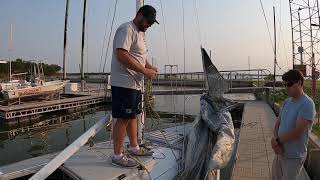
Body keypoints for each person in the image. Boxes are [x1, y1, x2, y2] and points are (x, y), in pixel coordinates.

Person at [110, 5, 159, 167]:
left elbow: (140, 56)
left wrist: (149, 67)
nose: (149, 25)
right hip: (124, 83)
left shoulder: (140, 33)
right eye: (148, 21)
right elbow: (122, 55)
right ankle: (117, 155)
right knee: (124, 118)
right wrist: (145, 71)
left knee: (133, 116)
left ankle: (134, 147)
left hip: (135, 84)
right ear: (139, 15)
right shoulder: (127, 29)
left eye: (151, 24)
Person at [271, 69, 316, 180]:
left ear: (299, 83)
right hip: (280, 152)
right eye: (284, 85)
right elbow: (278, 123)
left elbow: (298, 132)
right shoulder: (287, 102)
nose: (286, 87)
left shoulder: (307, 104)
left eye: (289, 84)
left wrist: (276, 141)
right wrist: (276, 141)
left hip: (294, 156)